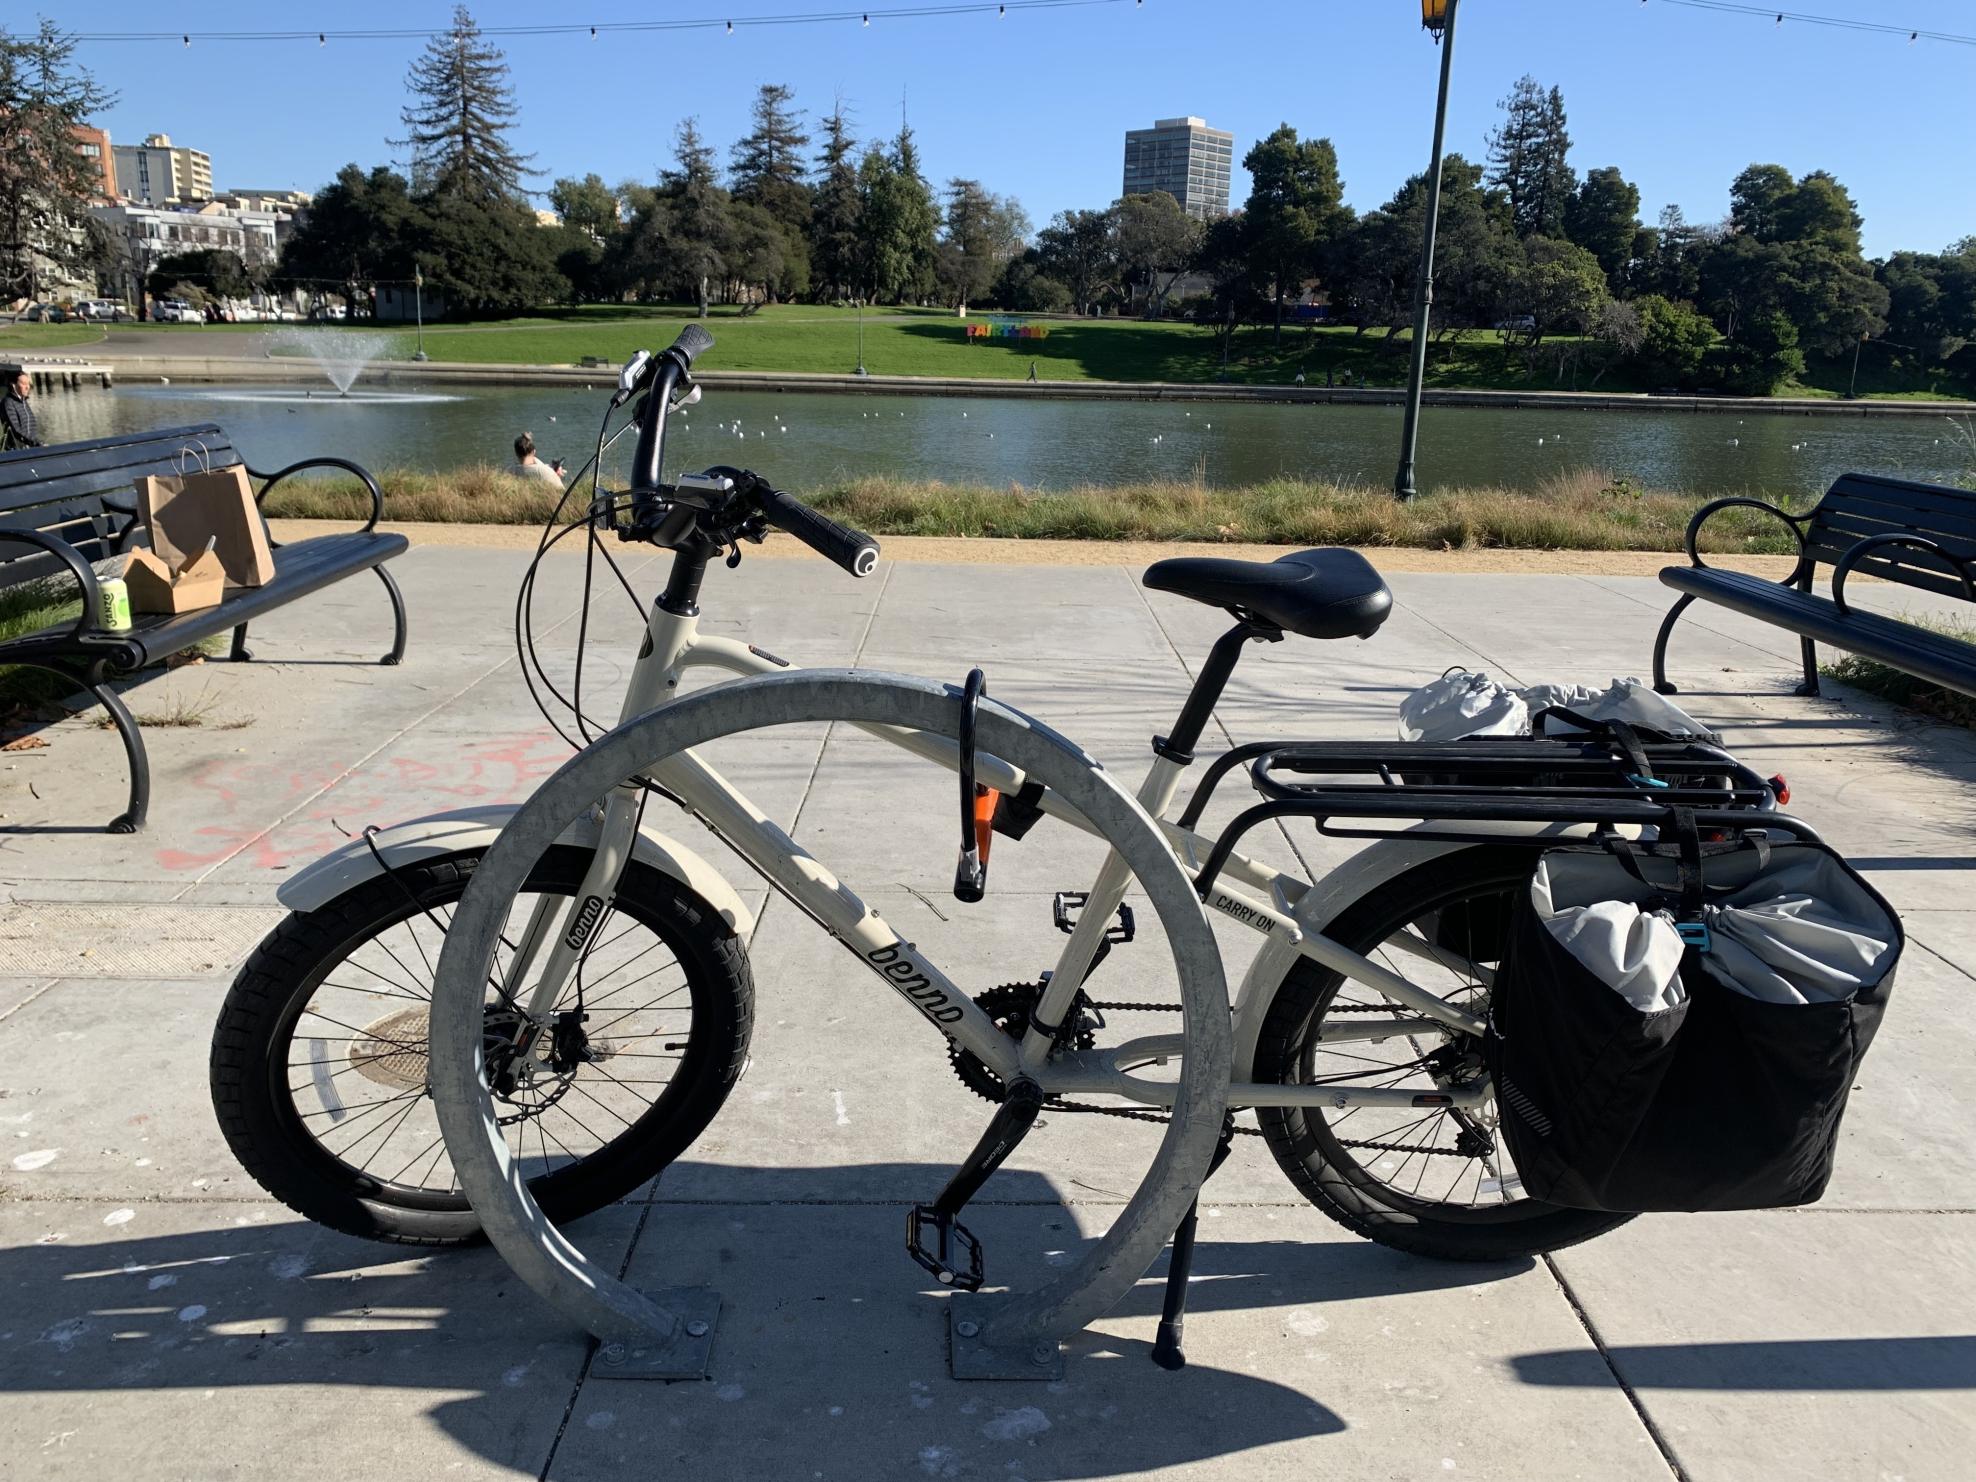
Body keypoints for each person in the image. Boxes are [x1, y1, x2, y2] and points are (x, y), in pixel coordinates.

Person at [1, 365, 40, 450]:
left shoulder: (23, 401)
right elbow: (16, 429)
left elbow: (31, 427)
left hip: (30, 448)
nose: (27, 387)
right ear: (13, 385)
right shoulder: (8, 402)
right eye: (24, 384)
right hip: (17, 451)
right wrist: (36, 442)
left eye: (28, 384)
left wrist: (36, 443)